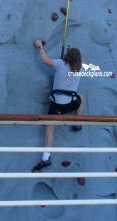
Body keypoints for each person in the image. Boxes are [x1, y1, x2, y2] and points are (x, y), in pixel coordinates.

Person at [32, 40, 85, 172]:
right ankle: (77, 121)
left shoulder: (60, 64)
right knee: (81, 99)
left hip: (57, 104)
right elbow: (82, 60)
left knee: (49, 130)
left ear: (67, 56)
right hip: (70, 104)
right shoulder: (80, 68)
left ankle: (46, 158)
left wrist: (40, 46)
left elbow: (44, 59)